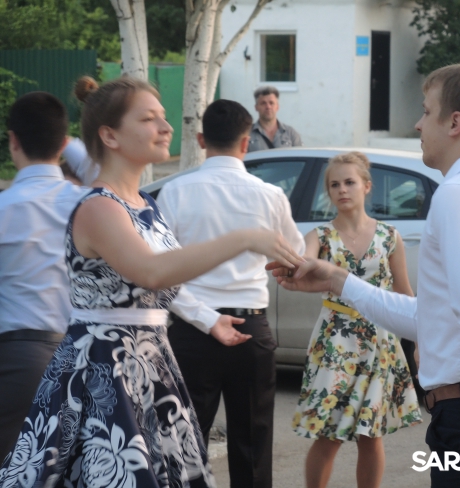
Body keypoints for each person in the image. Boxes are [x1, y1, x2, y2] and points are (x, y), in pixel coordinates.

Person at [269, 62, 460, 487]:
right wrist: (338, 279)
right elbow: (433, 317)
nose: (418, 124)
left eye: (427, 111)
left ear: (455, 123)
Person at [0, 78, 303, 488]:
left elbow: (166, 280)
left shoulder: (144, 203)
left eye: (163, 117)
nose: (166, 127)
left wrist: (209, 318)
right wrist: (245, 238)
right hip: (105, 369)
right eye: (148, 119)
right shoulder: (99, 206)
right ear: (110, 136)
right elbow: (152, 271)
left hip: (150, 363)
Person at [157, 99, 305, 488]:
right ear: (245, 143)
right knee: (253, 443)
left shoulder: (174, 192)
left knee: (185, 444)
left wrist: (200, 316)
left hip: (192, 328)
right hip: (250, 327)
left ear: (201, 139)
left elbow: (160, 269)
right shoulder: (270, 195)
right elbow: (294, 257)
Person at [292, 151, 421, 488]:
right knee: (328, 434)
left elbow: (405, 295)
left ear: (367, 186)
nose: (342, 190)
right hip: (335, 342)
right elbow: (302, 267)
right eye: (334, 185)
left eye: (349, 182)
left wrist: (422, 340)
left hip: (380, 342)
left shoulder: (390, 236)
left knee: (371, 434)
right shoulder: (319, 236)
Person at [0, 93, 89, 459]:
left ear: (13, 141)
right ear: (64, 144)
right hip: (85, 361)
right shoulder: (92, 206)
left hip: (18, 362)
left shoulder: (4, 208)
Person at [248, 86, 302, 151]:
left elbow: (300, 155)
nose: (268, 107)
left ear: (277, 107)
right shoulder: (247, 134)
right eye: (263, 103)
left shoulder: (291, 133)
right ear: (256, 107)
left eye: (271, 103)